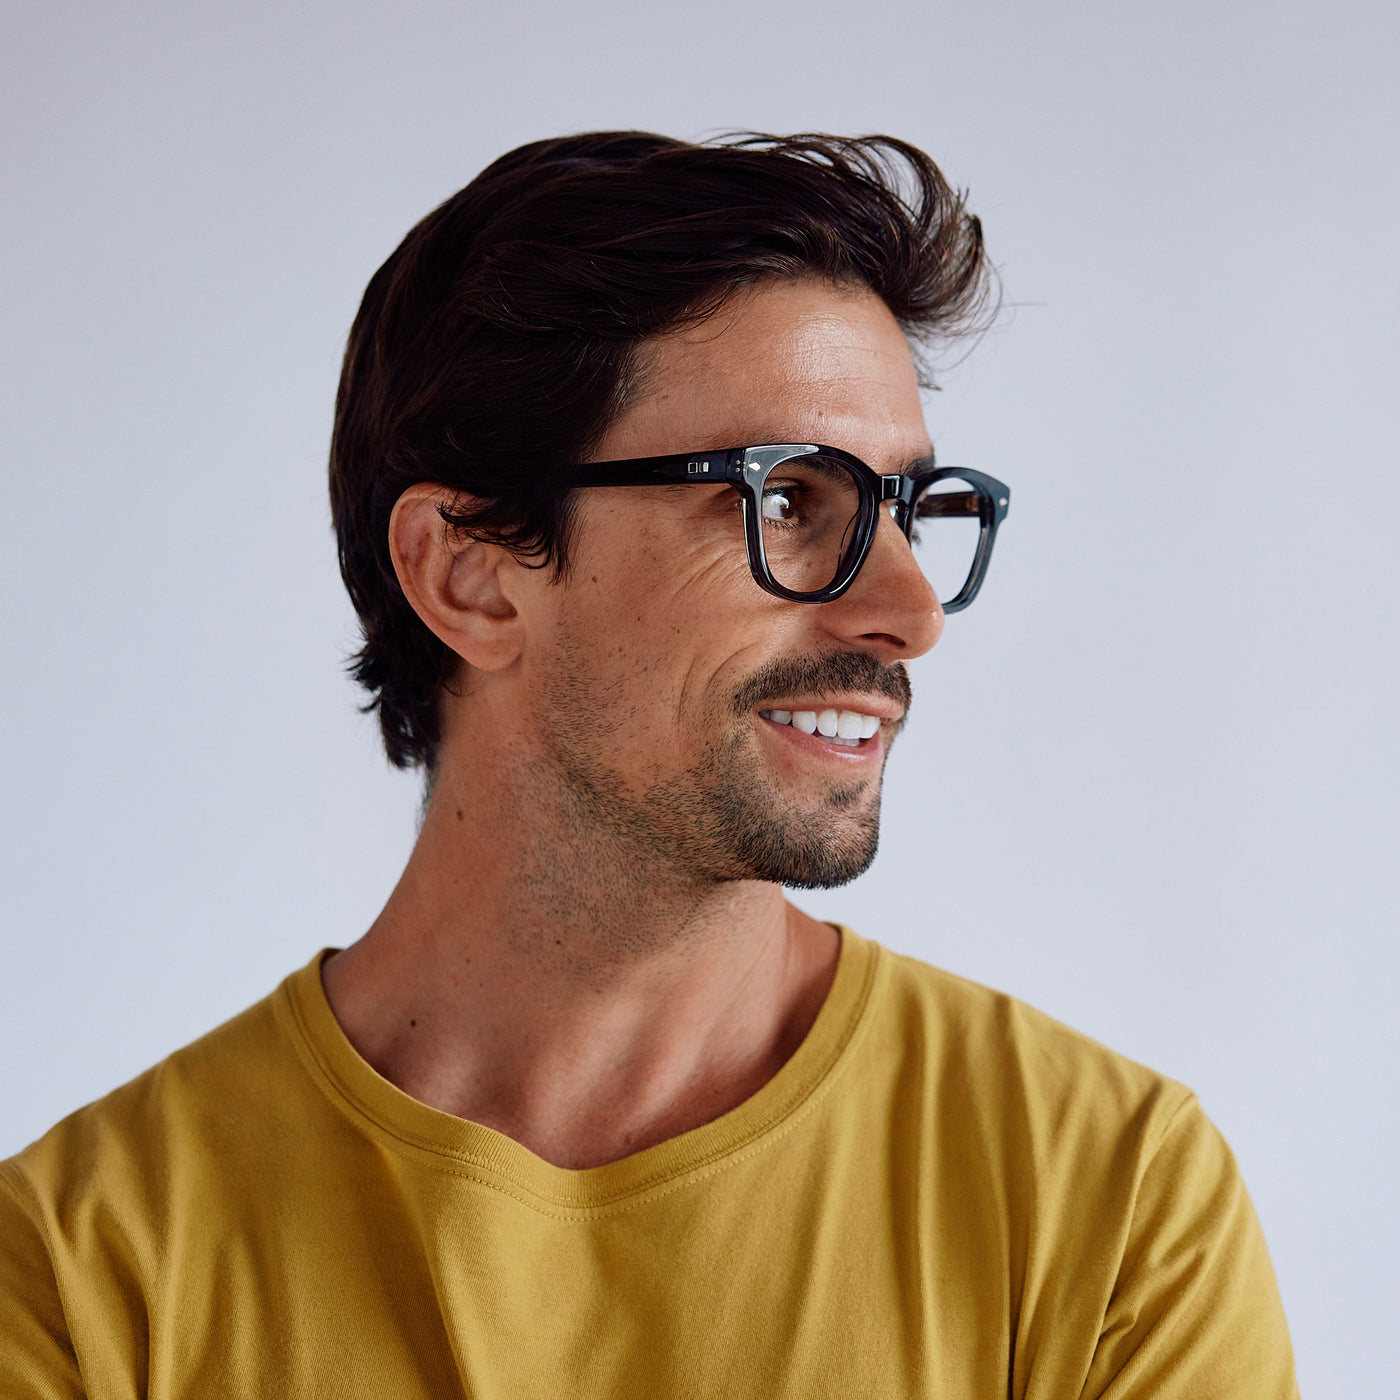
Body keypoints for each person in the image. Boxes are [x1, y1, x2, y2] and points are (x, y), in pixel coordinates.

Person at [0, 131, 1297, 1397]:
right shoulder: (82, 1267)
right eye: (788, 500)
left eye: (909, 509)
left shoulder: (1109, 1203)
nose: (909, 611)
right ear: (472, 574)